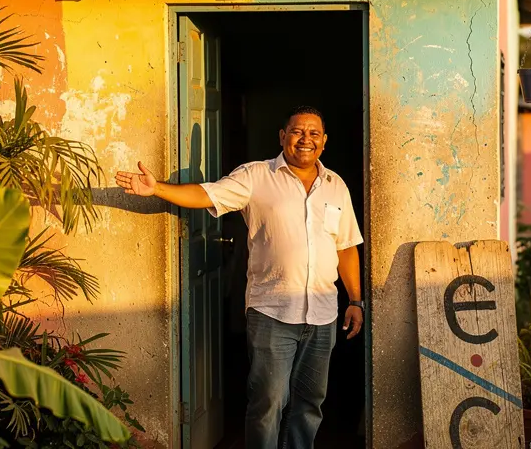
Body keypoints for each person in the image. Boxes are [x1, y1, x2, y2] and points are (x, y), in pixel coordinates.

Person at [115, 106, 364, 449]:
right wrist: (158, 189)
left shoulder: (336, 186)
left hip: (323, 316)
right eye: (297, 132)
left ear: (324, 142)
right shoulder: (257, 176)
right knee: (267, 405)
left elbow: (347, 247)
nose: (305, 140)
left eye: (314, 134)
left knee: (310, 405)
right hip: (272, 314)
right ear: (282, 136)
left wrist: (355, 300)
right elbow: (207, 193)